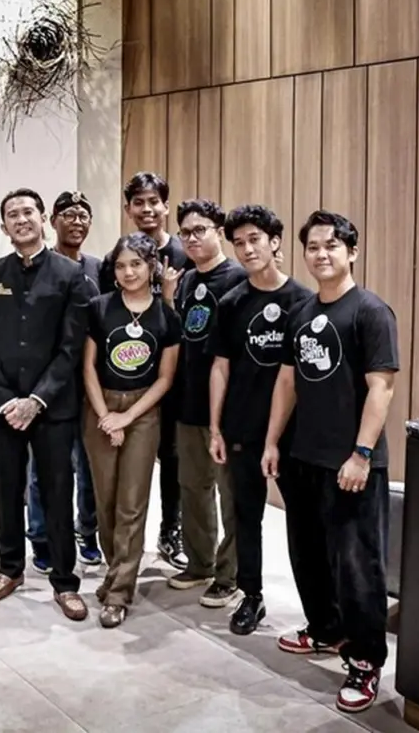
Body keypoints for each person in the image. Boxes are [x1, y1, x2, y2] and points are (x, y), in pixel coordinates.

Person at [262, 211, 398, 714]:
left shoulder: (371, 311)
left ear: (352, 252)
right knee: (309, 555)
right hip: (304, 457)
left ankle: (365, 661)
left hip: (352, 463)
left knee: (357, 566)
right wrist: (272, 442)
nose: (321, 254)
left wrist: (361, 454)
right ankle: (324, 629)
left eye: (331, 246)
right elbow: (286, 381)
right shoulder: (301, 312)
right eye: (313, 247)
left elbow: (381, 388)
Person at [0, 189, 92, 620]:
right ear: (4, 226)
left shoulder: (70, 274)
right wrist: (8, 399)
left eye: (28, 212)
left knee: (58, 492)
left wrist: (37, 399)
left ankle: (64, 581)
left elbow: (72, 345)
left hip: (53, 407)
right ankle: (10, 568)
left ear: (43, 219)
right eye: (12, 214)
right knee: (7, 490)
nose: (21, 219)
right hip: (2, 407)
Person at [208, 205, 313, 636]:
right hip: (243, 428)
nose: (247, 249)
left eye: (255, 240)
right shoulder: (232, 303)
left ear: (275, 242)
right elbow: (220, 367)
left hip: (296, 433)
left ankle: (319, 613)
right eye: (239, 243)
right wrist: (216, 427)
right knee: (246, 516)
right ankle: (251, 595)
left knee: (303, 521)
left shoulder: (304, 301)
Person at [83, 233, 181, 628]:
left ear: (152, 266)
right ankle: (115, 570)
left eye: (136, 264)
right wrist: (106, 415)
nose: (128, 272)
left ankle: (120, 591)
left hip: (143, 412)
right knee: (105, 500)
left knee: (132, 503)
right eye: (121, 265)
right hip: (100, 408)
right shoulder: (99, 307)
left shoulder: (166, 316)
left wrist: (127, 418)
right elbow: (88, 368)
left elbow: (165, 378)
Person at [100, 172, 190, 570]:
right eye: (139, 202)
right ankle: (113, 540)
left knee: (172, 456)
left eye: (154, 201)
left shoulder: (185, 254)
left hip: (171, 376)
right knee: (121, 467)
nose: (147, 209)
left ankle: (171, 530)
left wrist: (167, 301)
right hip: (126, 379)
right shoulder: (115, 257)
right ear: (128, 209)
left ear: (166, 206)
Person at [165, 199, 246, 606]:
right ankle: (201, 564)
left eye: (200, 230)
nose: (192, 238)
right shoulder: (184, 280)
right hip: (188, 404)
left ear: (219, 232)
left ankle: (230, 575)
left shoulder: (239, 279)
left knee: (231, 495)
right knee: (193, 489)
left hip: (228, 411)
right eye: (185, 232)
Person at [24, 190, 101, 571]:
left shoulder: (101, 268)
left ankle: (88, 531)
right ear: (52, 221)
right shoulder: (39, 265)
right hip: (47, 384)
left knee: (89, 468)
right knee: (43, 468)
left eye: (83, 215)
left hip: (90, 384)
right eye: (68, 214)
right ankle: (40, 536)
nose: (76, 221)